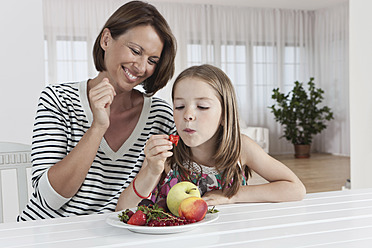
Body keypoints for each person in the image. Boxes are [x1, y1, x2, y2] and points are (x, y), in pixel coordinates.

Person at [18, 1, 177, 221]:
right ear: (106, 40)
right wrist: (98, 127)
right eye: (135, 51)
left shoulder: (161, 115)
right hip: (46, 234)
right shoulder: (58, 99)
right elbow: (50, 200)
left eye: (152, 60)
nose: (141, 67)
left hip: (111, 236)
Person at [116, 64, 306, 211]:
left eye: (202, 107)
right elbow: (122, 209)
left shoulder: (241, 147)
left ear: (224, 114)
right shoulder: (166, 153)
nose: (187, 115)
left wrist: (233, 196)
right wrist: (151, 170)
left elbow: (295, 188)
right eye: (180, 106)